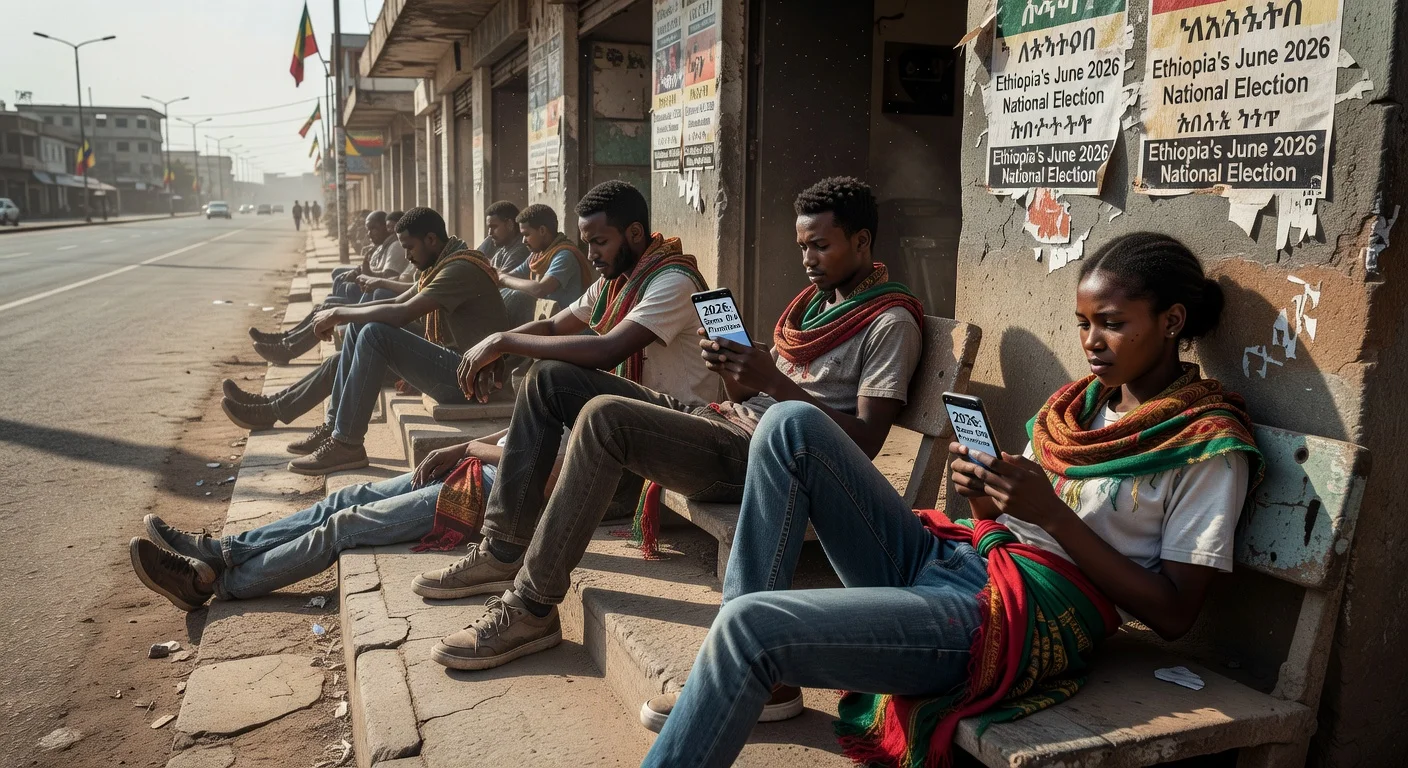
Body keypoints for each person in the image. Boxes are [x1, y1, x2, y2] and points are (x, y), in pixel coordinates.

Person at [637, 232, 1264, 767]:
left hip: (1013, 619)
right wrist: (987, 498)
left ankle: (740, 666)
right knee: (786, 424)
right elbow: (1006, 525)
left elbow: (1175, 614)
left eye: (1113, 324)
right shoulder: (1077, 408)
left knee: (749, 628)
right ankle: (752, 680)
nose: (1092, 342)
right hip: (964, 561)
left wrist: (1050, 514)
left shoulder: (1207, 445)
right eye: (1083, 324)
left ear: (1171, 322)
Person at [418, 177, 926, 675]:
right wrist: (736, 370)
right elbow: (746, 399)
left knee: (605, 417)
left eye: (821, 246)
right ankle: (502, 548)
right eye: (802, 247)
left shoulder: (889, 322)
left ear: (862, 241)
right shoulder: (817, 305)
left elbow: (864, 442)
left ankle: (531, 607)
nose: (808, 259)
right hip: (721, 421)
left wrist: (772, 379)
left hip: (765, 457)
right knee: (549, 377)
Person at [127, 427, 565, 611]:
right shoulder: (562, 382)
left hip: (486, 495)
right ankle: (222, 551)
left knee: (345, 525)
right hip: (470, 470)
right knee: (346, 497)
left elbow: (554, 476)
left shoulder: (593, 405)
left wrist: (470, 449)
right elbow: (516, 431)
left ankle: (210, 584)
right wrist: (462, 447)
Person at [286, 207, 509, 475]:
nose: (407, 256)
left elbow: (402, 313)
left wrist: (338, 314)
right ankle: (335, 429)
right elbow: (396, 301)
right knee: (359, 326)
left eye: (409, 247)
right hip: (458, 367)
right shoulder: (443, 263)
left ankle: (346, 444)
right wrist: (341, 314)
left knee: (374, 334)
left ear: (430, 239)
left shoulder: (458, 269)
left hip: (470, 381)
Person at [247, 210, 409, 366]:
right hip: (374, 299)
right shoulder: (389, 246)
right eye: (389, 228)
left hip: (378, 303)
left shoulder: (396, 247)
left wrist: (368, 274)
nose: (391, 232)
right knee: (323, 307)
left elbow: (390, 282)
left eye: (389, 228)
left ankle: (286, 350)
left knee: (329, 310)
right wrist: (363, 272)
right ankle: (283, 340)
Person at [495, 203, 593, 309]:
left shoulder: (565, 256)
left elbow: (540, 289)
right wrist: (498, 276)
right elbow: (513, 275)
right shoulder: (537, 256)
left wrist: (503, 279)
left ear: (542, 230)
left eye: (526, 235)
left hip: (566, 317)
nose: (523, 241)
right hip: (546, 316)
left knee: (516, 296)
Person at [482, 200, 535, 326]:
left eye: (494, 227)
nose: (490, 233)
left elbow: (494, 281)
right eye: (489, 228)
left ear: (510, 225)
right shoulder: (501, 247)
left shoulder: (522, 249)